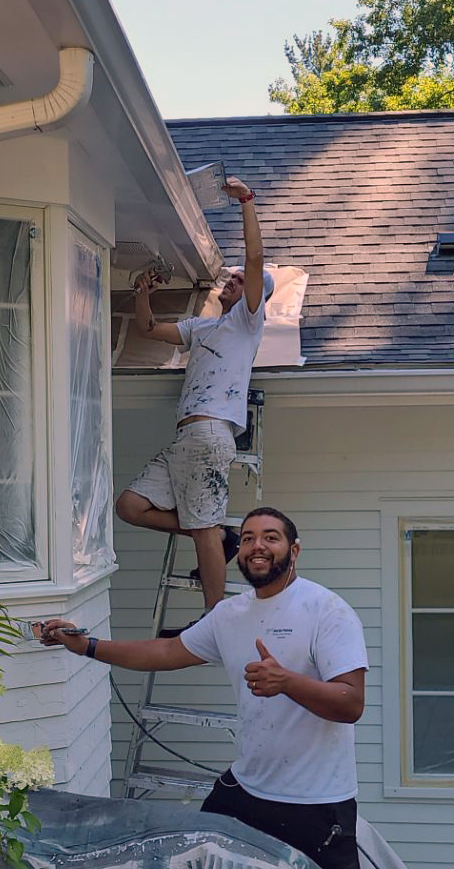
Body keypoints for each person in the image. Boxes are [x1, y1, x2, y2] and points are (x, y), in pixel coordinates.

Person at [41, 507, 368, 869]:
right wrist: (87, 646)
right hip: (246, 790)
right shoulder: (229, 614)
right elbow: (165, 651)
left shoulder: (327, 611)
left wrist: (287, 681)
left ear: (294, 550)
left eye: (271, 537)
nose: (257, 546)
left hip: (315, 804)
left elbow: (351, 703)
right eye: (248, 538)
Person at [116, 176, 273, 627]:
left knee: (203, 528)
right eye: (232, 278)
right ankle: (217, 534)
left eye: (241, 281)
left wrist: (246, 201)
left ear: (255, 296)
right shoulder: (201, 327)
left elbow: (255, 259)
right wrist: (142, 294)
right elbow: (149, 329)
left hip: (210, 433)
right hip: (185, 438)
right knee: (130, 506)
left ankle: (213, 620)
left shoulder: (247, 322)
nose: (233, 280)